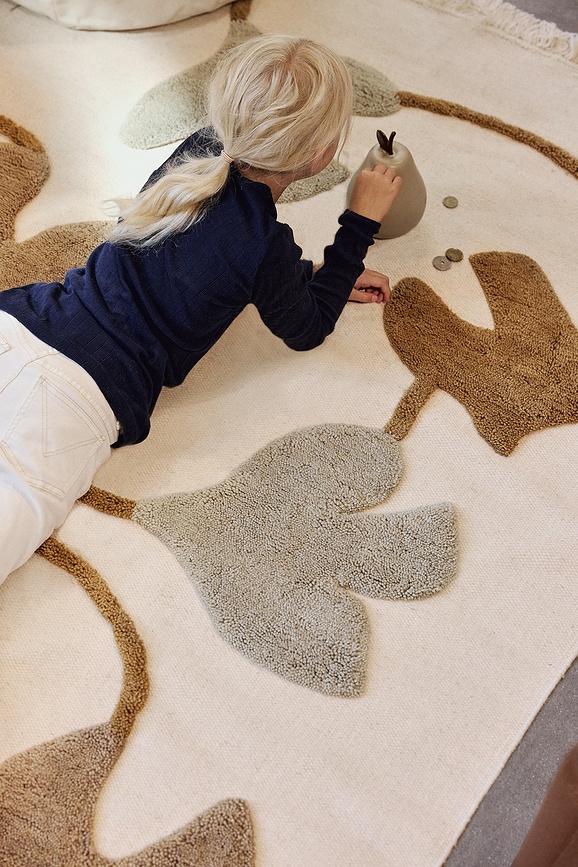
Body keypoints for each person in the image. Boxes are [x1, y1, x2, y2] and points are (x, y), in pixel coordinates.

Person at [0, 34, 401, 582]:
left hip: (23, 321)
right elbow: (307, 327)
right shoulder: (264, 245)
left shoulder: (198, 152)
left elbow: (202, 258)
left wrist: (313, 277)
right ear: (320, 155)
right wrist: (358, 225)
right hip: (79, 397)